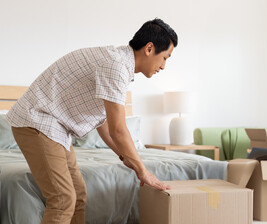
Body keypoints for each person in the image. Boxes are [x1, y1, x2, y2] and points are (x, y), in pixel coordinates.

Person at [6, 18, 178, 224]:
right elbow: (118, 130)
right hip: (37, 121)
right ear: (149, 48)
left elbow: (104, 125)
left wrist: (128, 161)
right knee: (63, 200)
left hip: (56, 127)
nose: (164, 66)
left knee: (78, 194)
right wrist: (144, 172)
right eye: (165, 57)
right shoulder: (116, 66)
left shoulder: (118, 64)